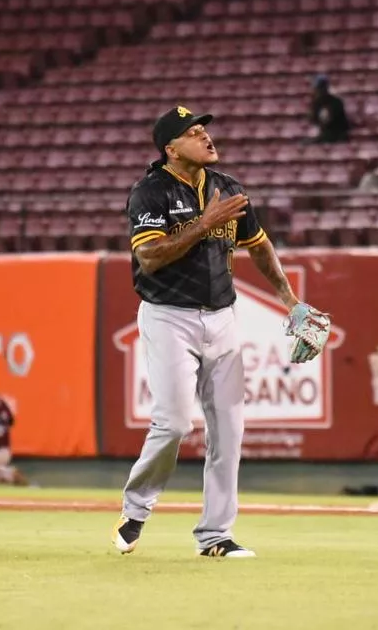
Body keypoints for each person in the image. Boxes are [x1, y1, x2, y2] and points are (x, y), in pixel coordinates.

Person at [114, 105, 330, 558]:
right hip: (168, 314)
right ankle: (136, 509)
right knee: (173, 423)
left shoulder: (228, 187)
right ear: (171, 149)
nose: (206, 138)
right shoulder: (149, 192)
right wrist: (204, 224)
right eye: (193, 134)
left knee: (229, 431)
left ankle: (215, 536)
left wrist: (290, 300)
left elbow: (260, 245)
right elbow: (150, 257)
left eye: (204, 131)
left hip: (223, 316)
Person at [307, 74, 351, 143]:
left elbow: (333, 121)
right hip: (324, 134)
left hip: (337, 135)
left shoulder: (336, 102)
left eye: (320, 88)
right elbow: (313, 120)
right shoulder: (316, 103)